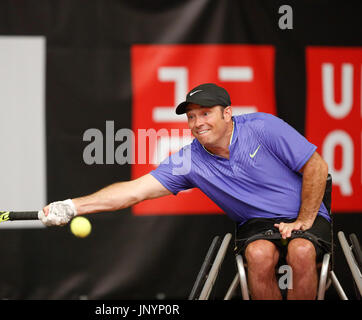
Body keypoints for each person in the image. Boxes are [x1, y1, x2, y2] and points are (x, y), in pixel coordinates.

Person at [39, 83, 331, 300]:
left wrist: (303, 219)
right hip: (256, 225)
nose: (198, 123)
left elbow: (316, 166)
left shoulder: (264, 127)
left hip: (304, 214)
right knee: (258, 256)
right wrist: (71, 206)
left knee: (302, 250)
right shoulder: (188, 161)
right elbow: (133, 192)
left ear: (227, 113)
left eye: (206, 113)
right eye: (191, 117)